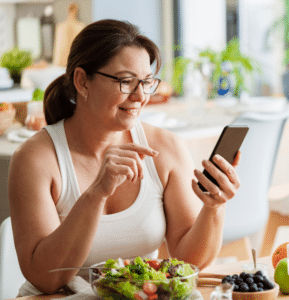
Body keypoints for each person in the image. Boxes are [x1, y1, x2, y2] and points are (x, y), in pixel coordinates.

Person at [8, 19, 241, 295]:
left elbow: (187, 263)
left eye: (146, 82)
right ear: (82, 81)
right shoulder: (35, 159)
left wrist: (214, 208)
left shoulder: (166, 149)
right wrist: (96, 193)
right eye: (126, 81)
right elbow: (45, 279)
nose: (140, 95)